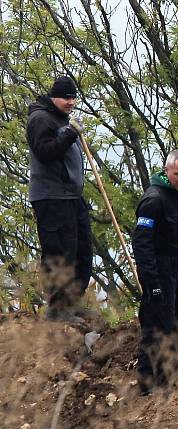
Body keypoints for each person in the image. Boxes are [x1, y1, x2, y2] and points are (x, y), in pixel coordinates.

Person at [26, 75, 92, 322]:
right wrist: (70, 134)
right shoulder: (40, 119)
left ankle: (72, 304)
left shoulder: (62, 119)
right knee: (59, 253)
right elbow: (44, 152)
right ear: (54, 97)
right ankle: (57, 310)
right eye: (66, 97)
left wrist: (70, 131)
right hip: (52, 197)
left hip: (71, 197)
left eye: (73, 97)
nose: (71, 102)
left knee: (82, 251)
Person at [132, 149, 178, 394]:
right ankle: (147, 385)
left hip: (176, 268)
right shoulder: (153, 200)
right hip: (159, 269)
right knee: (157, 326)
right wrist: (152, 281)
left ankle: (169, 377)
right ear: (167, 171)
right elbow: (141, 243)